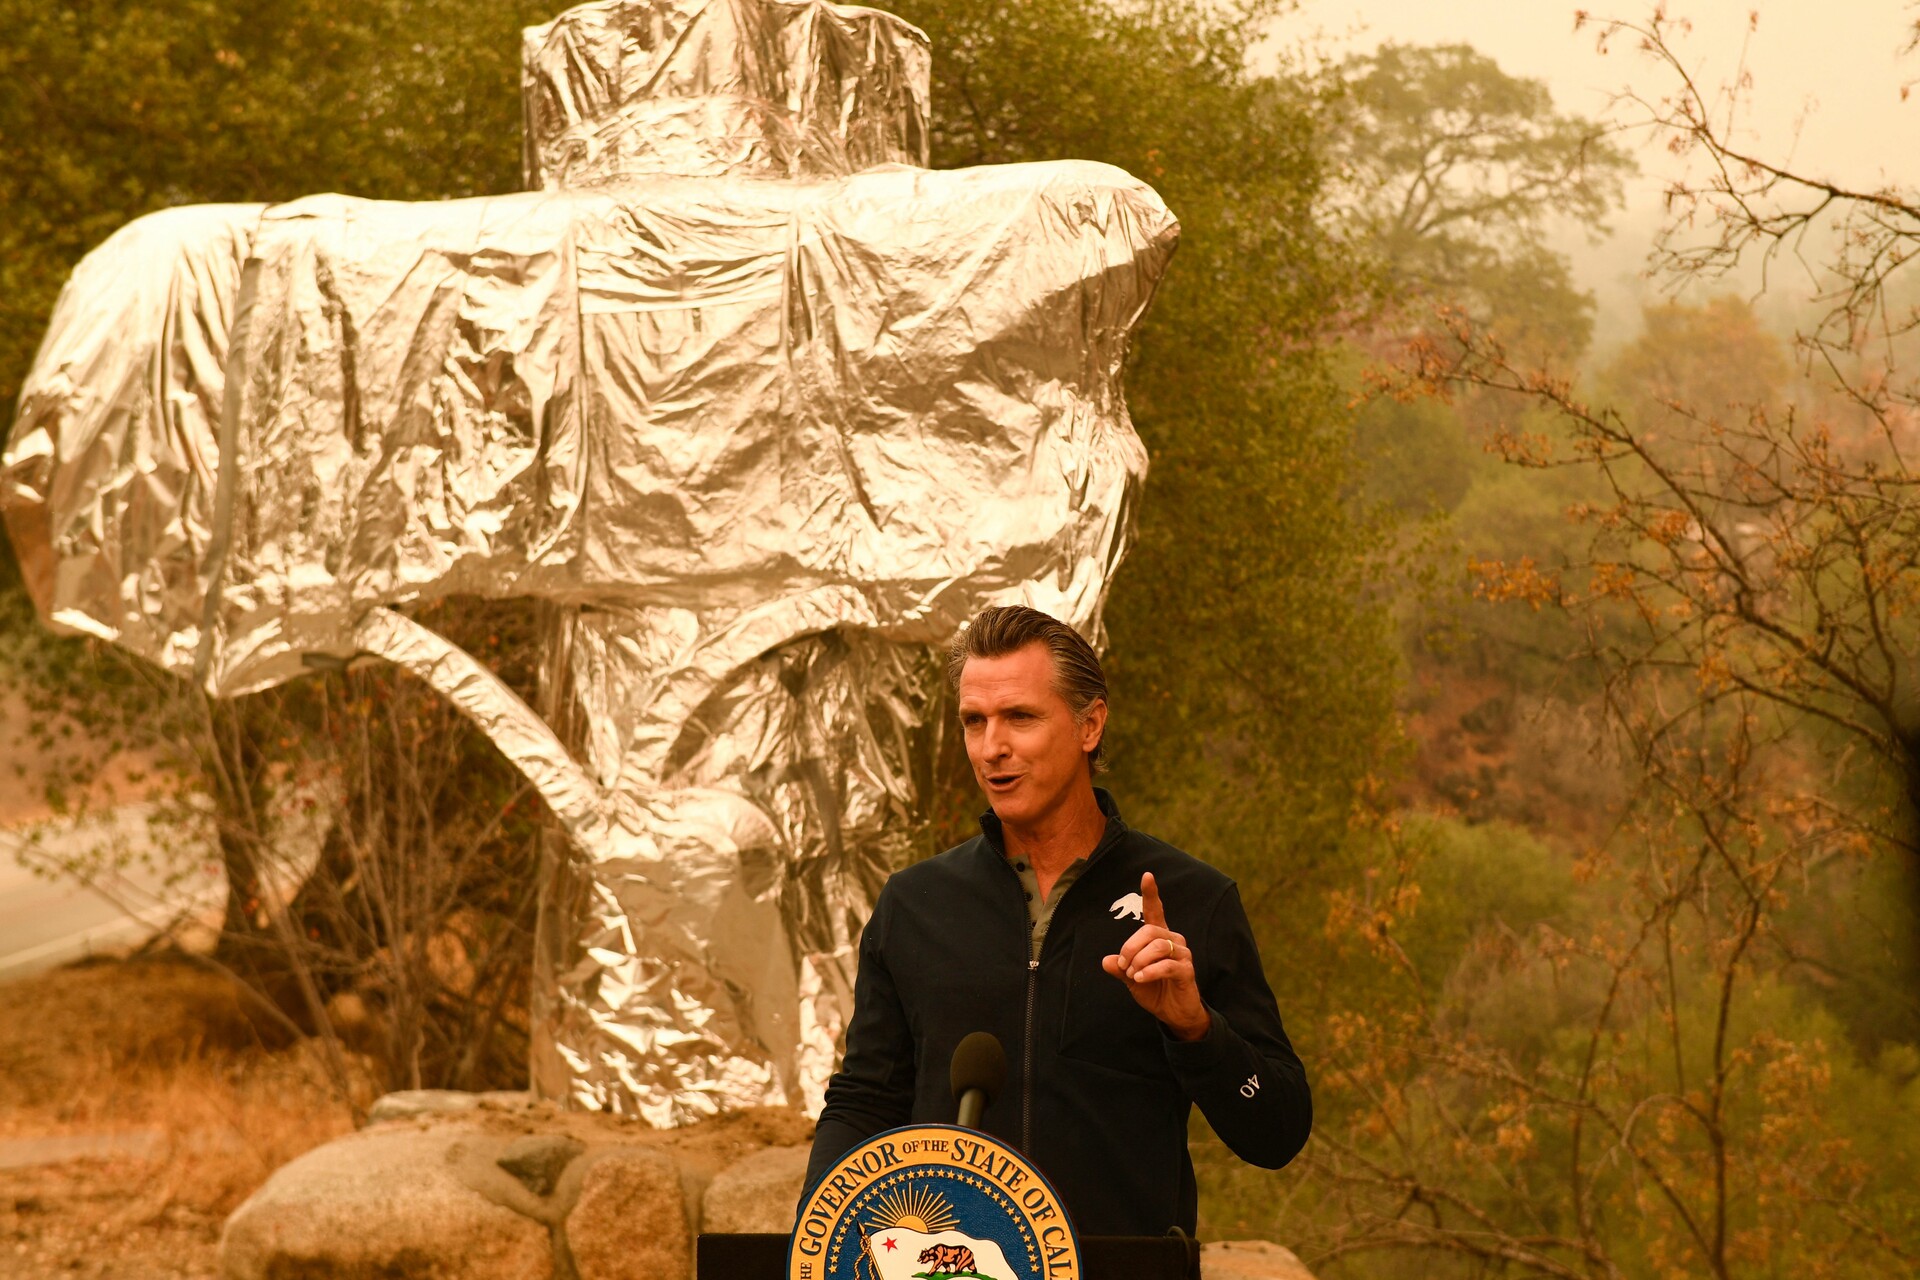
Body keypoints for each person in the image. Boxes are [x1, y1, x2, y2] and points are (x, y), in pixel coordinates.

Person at [804, 605, 1311, 1236]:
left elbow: (1279, 1132)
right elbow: (864, 1104)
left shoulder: (1192, 900)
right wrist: (812, 1245)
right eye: (974, 721)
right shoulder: (914, 904)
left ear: (1090, 724)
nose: (993, 747)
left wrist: (1196, 1030)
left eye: (1020, 717)